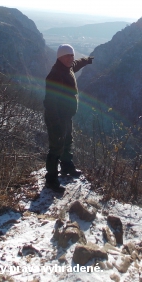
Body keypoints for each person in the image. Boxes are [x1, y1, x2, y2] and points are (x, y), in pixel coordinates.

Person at [43, 44, 93, 193]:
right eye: (68, 56)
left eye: (72, 55)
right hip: (57, 117)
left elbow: (76, 64)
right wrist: (56, 123)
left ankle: (66, 165)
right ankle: (51, 179)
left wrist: (87, 60)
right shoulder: (56, 75)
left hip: (66, 115)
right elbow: (50, 102)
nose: (71, 58)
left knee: (67, 141)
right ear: (60, 57)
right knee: (56, 146)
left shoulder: (67, 67)